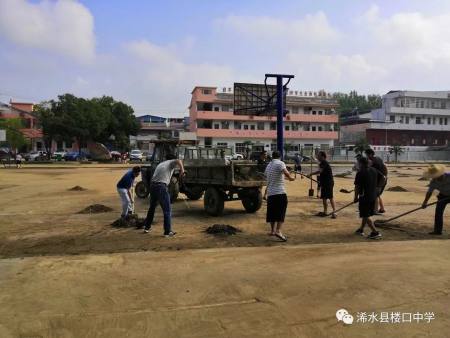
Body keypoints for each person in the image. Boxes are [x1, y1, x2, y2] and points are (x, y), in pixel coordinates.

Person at [143, 153, 185, 237]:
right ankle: (167, 231)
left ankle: (147, 227)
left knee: (152, 207)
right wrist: (182, 170)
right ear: (172, 159)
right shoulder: (171, 162)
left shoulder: (161, 164)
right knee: (167, 210)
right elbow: (178, 161)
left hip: (153, 186)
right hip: (161, 187)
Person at [264, 150, 295, 241]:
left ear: (272, 156)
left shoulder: (269, 165)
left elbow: (273, 176)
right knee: (281, 212)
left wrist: (286, 177)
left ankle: (273, 231)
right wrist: (291, 177)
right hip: (280, 193)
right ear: (280, 156)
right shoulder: (281, 163)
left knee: (272, 212)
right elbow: (286, 173)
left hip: (271, 193)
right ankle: (278, 231)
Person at [353, 157, 382, 239]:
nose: (357, 164)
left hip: (364, 197)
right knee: (366, 214)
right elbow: (383, 178)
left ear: (361, 163)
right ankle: (361, 229)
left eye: (358, 163)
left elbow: (357, 187)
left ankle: (375, 232)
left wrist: (355, 197)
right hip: (373, 196)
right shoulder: (374, 170)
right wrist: (378, 188)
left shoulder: (360, 173)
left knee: (365, 215)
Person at [421, 164, 450, 235]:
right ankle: (437, 231)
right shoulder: (433, 182)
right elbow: (429, 192)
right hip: (442, 196)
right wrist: (425, 202)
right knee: (438, 213)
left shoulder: (449, 176)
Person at [309, 151, 336, 218]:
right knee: (327, 197)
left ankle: (332, 212)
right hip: (326, 182)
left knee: (328, 197)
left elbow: (320, 171)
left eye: (318, 155)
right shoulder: (323, 162)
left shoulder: (323, 163)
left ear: (322, 156)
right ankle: (328, 211)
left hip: (328, 183)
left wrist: (311, 174)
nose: (317, 157)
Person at [365, 148, 388, 214]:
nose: (366, 156)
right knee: (377, 195)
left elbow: (373, 172)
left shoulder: (373, 162)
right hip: (383, 179)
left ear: (371, 154)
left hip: (380, 180)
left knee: (375, 195)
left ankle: (375, 210)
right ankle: (382, 209)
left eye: (367, 154)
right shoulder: (378, 158)